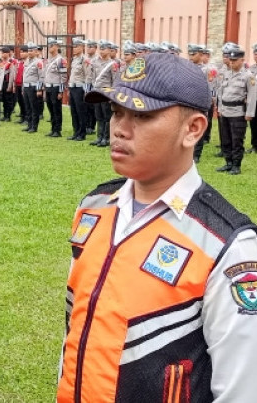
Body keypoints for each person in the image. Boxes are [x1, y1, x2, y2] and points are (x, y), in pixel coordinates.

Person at [58, 53, 257, 402]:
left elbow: (242, 389)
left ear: (193, 129)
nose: (119, 127)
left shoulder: (227, 244)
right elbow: (76, 327)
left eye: (143, 116)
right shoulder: (95, 207)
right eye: (118, 112)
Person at [215, 46, 256, 175]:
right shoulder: (226, 74)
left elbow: (252, 96)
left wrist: (249, 113)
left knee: (236, 140)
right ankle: (228, 163)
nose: (231, 62)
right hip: (225, 111)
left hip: (238, 112)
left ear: (242, 60)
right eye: (230, 60)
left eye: (234, 60)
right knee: (226, 139)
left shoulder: (248, 76)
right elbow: (220, 93)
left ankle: (236, 165)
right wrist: (220, 108)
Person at [42, 39, 67, 137]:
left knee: (56, 109)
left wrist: (61, 91)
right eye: (49, 45)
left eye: (52, 45)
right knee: (50, 109)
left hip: (56, 88)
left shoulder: (60, 60)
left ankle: (57, 130)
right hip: (48, 87)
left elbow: (63, 77)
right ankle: (53, 128)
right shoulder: (48, 60)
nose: (50, 47)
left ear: (57, 47)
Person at [67, 38, 88, 141]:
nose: (74, 49)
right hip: (72, 87)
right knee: (73, 111)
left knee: (81, 111)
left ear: (81, 47)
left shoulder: (85, 60)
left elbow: (87, 76)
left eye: (76, 46)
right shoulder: (74, 59)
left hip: (80, 88)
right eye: (73, 47)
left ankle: (82, 133)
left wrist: (86, 91)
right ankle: (76, 132)